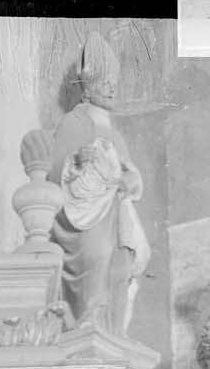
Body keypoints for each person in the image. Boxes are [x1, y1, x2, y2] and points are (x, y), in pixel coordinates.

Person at [48, 34, 150, 332]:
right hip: (85, 222)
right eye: (104, 82)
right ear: (88, 86)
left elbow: (130, 174)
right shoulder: (74, 122)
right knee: (97, 259)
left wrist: (130, 179)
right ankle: (88, 329)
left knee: (120, 267)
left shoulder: (115, 133)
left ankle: (113, 333)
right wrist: (79, 161)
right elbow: (56, 175)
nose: (112, 88)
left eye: (113, 82)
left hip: (116, 216)